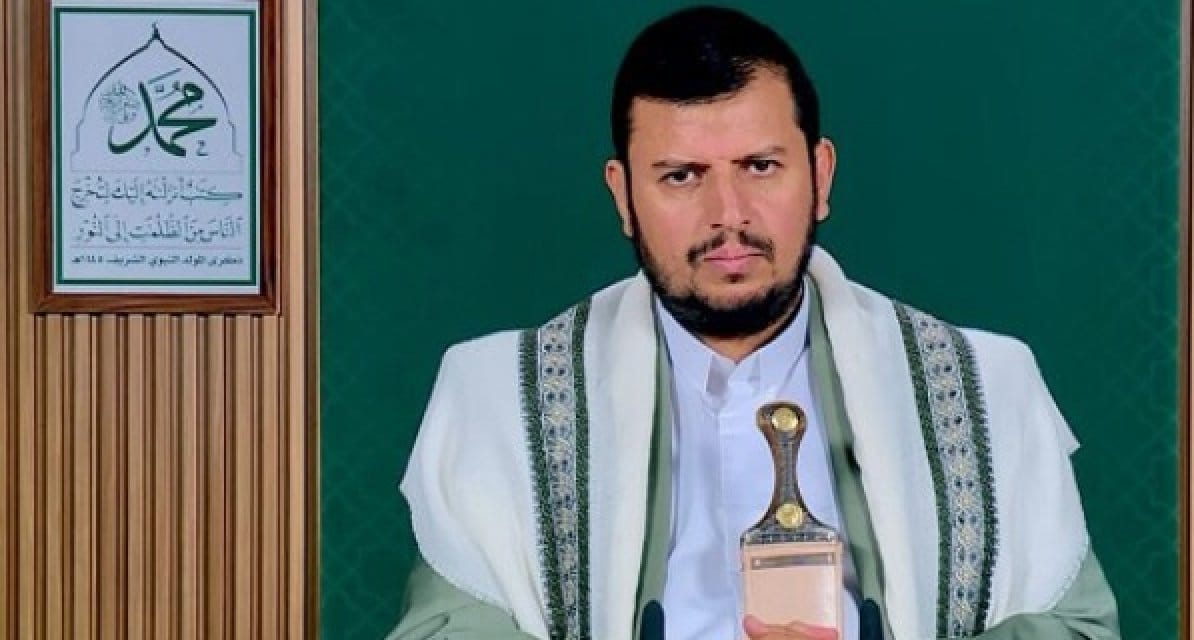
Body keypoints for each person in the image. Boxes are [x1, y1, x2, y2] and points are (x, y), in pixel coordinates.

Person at [387, 6, 1120, 640]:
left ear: (820, 175)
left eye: (761, 166)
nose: (728, 215)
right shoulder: (496, 401)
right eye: (682, 176)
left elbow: (1076, 628)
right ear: (623, 196)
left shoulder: (987, 387)